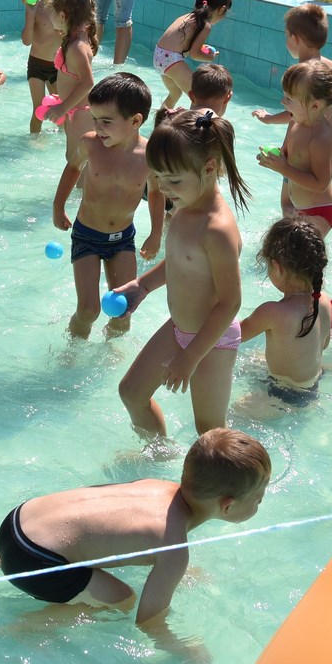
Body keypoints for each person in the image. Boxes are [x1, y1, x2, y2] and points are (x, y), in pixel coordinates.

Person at [0, 429, 270, 661]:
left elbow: (107, 532)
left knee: (81, 541)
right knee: (122, 599)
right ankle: (19, 629)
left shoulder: (157, 487)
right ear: (227, 507)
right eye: (259, 496)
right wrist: (185, 651)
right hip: (34, 560)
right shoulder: (174, 551)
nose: (261, 501)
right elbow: (149, 619)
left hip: (18, 523)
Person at [113, 109, 250, 438]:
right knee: (131, 392)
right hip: (179, 328)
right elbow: (179, 261)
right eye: (157, 177)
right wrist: (143, 286)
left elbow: (230, 302)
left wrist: (190, 357)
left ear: (209, 168)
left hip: (211, 342)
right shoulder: (185, 208)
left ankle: (225, 486)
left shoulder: (216, 228)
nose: (162, 188)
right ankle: (158, 457)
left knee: (210, 432)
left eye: (173, 180)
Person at [53, 73, 164, 339]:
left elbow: (157, 193)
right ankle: (73, 349)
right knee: (89, 309)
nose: (98, 127)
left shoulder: (149, 156)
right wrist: (58, 206)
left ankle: (110, 351)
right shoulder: (90, 144)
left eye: (106, 121)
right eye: (94, 119)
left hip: (123, 239)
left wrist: (157, 233)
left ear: (135, 120)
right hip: (87, 235)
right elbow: (72, 169)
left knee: (123, 310)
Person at [237, 216, 332, 413]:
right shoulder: (324, 301)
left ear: (278, 267)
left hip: (281, 395)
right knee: (253, 360)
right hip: (312, 385)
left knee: (228, 419)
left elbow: (233, 336)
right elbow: (324, 344)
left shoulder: (273, 312)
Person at [257, 59, 332, 235]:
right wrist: (273, 160)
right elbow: (287, 157)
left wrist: (284, 168)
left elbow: (321, 184)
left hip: (318, 213)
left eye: (289, 99)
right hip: (296, 207)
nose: (282, 102)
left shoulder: (321, 138)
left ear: (315, 105)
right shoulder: (293, 123)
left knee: (298, 260)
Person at [44, 0, 100, 166]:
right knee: (73, 158)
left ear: (62, 15)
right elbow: (75, 79)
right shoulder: (74, 39)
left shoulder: (77, 47)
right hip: (73, 108)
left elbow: (87, 82)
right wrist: (64, 99)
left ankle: (85, 194)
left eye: (50, 11)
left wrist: (63, 107)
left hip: (81, 112)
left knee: (79, 162)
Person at [152, 0, 231, 109]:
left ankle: (160, 124)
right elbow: (194, 54)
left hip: (159, 56)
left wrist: (201, 47)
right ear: (221, 9)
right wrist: (209, 57)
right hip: (171, 59)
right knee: (200, 98)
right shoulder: (205, 25)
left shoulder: (187, 17)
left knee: (175, 94)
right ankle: (194, 128)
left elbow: (182, 42)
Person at [22, 0, 79, 134]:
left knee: (62, 109)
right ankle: (34, 142)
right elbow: (26, 41)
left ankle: (63, 140)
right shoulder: (37, 8)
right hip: (37, 65)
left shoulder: (67, 13)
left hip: (59, 67)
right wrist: (30, 15)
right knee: (38, 109)